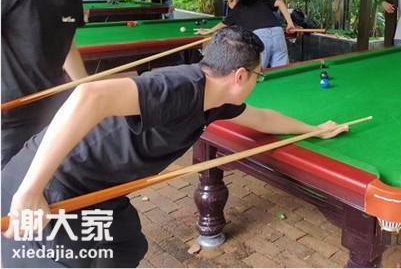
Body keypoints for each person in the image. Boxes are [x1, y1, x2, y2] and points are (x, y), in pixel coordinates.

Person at [1, 26, 347, 267]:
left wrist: (313, 130)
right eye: (259, 75)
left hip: (98, 187)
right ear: (240, 75)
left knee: (126, 244)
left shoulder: (217, 99)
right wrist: (30, 191)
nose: (257, 82)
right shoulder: (180, 86)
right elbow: (89, 95)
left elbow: (262, 118)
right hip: (53, 182)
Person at [1, 0, 92, 168]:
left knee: (55, 177)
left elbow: (67, 44)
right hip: (11, 115)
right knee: (10, 184)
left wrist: (86, 87)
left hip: (53, 106)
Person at [196, 0, 296, 68]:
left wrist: (208, 31)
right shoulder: (259, 0)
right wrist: (290, 23)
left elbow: (223, 24)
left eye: (228, 3)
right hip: (278, 32)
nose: (228, 6)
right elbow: (280, 2)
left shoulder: (238, 8)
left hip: (262, 36)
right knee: (280, 70)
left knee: (257, 73)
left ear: (233, 0)